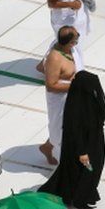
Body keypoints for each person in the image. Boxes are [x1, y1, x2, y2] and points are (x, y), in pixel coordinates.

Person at [38, 71, 105, 209]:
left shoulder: (88, 99)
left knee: (92, 171)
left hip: (94, 143)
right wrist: (82, 152)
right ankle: (79, 199)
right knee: (85, 172)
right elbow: (75, 131)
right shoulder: (76, 106)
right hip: (82, 148)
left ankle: (86, 194)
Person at [37, 26, 78, 165]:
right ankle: (65, 164)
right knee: (60, 129)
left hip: (72, 97)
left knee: (70, 127)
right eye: (75, 39)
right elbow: (51, 85)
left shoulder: (70, 51)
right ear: (69, 42)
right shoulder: (55, 58)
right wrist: (75, 86)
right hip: (60, 100)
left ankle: (47, 147)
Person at [47, 0, 92, 70]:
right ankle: (78, 70)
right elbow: (51, 2)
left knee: (68, 42)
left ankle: (45, 64)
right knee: (72, 44)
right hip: (63, 18)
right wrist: (69, 4)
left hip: (78, 15)